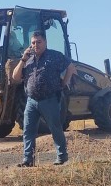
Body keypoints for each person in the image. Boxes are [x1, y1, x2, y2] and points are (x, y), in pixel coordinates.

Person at [11, 30, 76, 167]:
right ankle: (28, 160)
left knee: (55, 128)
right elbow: (15, 77)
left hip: (50, 99)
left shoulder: (55, 56)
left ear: (45, 42)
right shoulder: (27, 60)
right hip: (31, 101)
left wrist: (64, 82)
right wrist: (23, 59)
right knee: (28, 131)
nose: (36, 45)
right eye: (33, 43)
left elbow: (70, 67)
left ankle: (61, 156)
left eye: (39, 42)